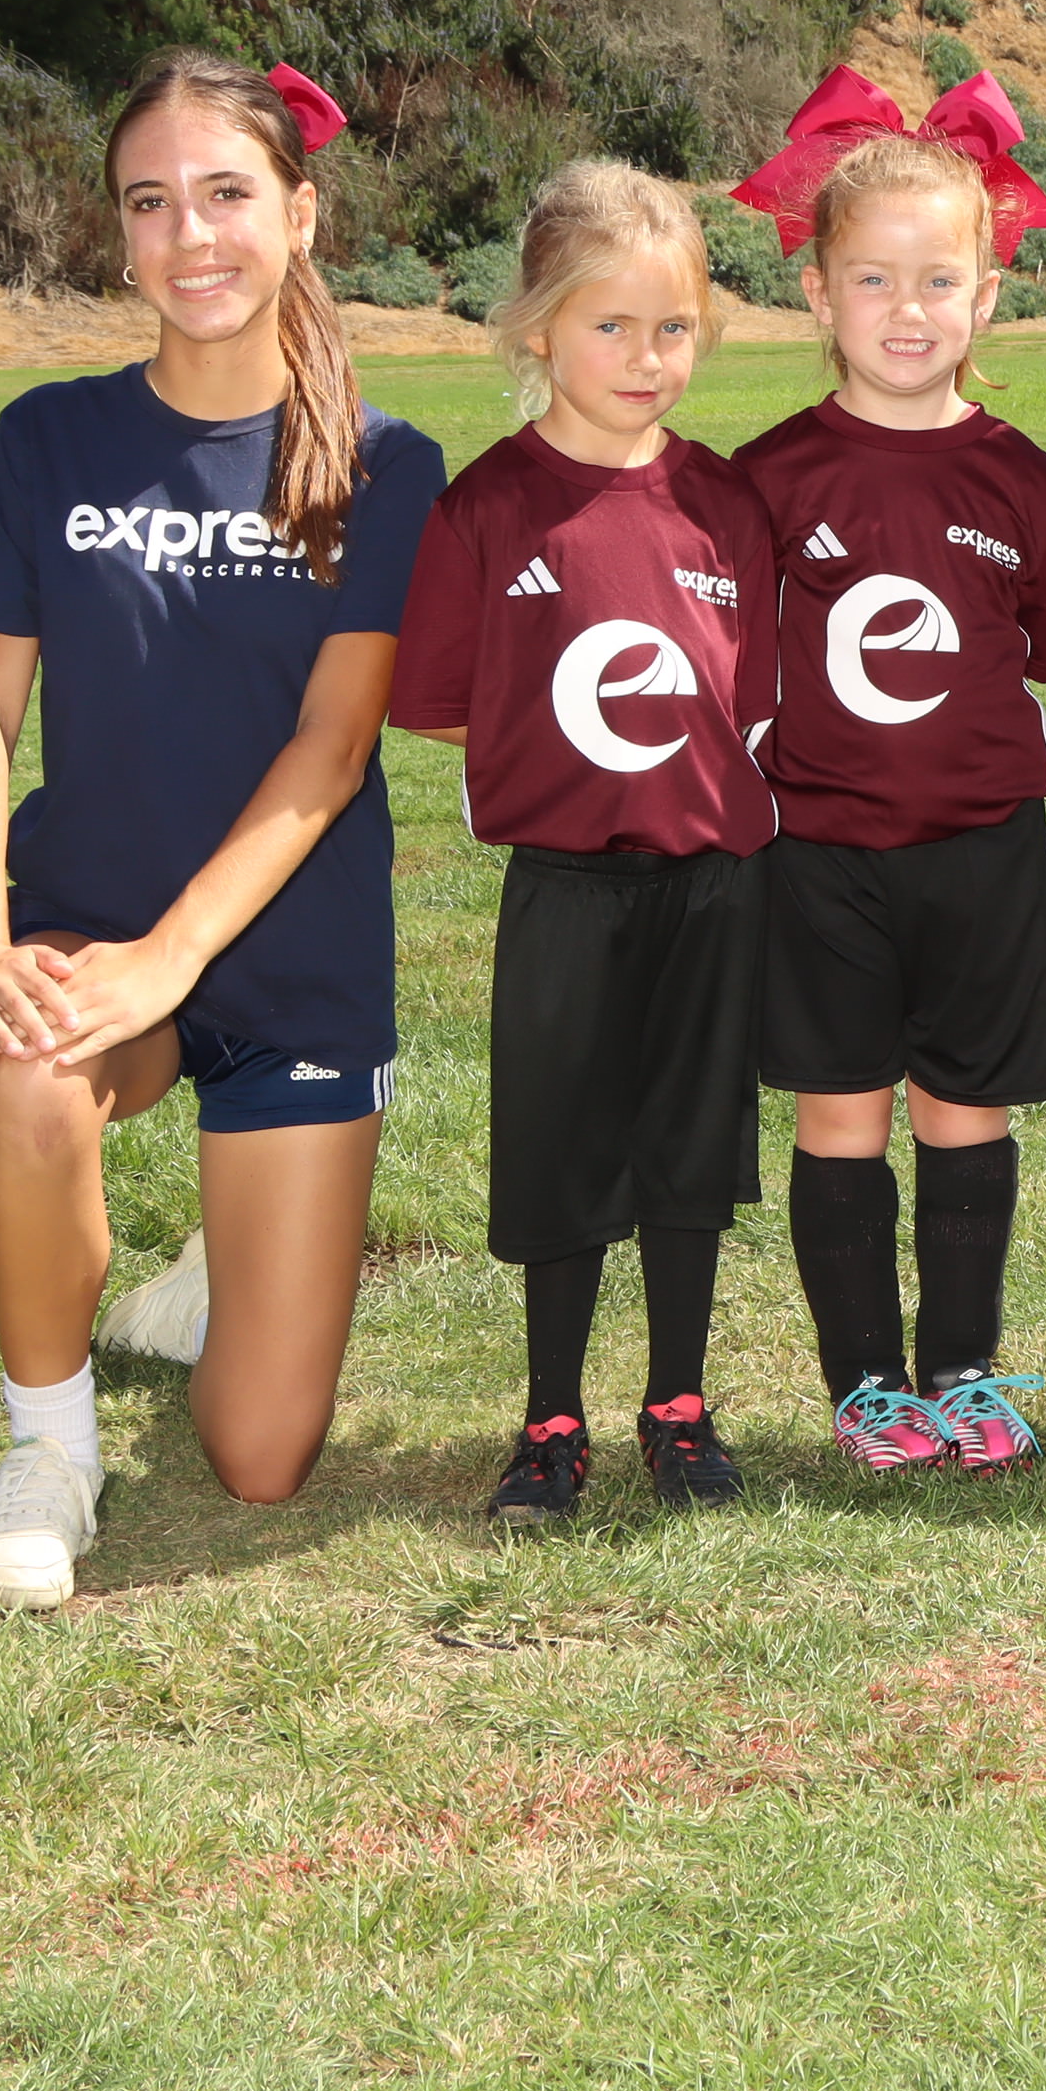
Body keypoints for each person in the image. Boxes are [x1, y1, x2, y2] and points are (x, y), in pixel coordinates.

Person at [0, 54, 445, 1612]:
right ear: (121, 232)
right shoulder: (49, 438)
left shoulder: (387, 463)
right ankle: (50, 1453)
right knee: (33, 1076)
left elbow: (331, 750)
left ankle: (213, 1279)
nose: (191, 235)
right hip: (90, 934)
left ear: (302, 214)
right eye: (150, 203)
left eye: (226, 194)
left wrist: (174, 955)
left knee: (259, 1458)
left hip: (294, 969)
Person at [390, 161, 777, 1530]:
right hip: (563, 889)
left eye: (673, 328)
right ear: (538, 329)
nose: (645, 356)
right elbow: (443, 700)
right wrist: (559, 761)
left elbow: (743, 700)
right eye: (610, 325)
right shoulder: (490, 507)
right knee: (561, 1157)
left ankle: (679, 1403)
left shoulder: (725, 504)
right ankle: (550, 1418)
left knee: (687, 1154)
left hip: (713, 887)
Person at [727, 75, 1046, 1478]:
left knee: (966, 1111)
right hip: (819, 851)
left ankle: (965, 1369)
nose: (908, 309)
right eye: (872, 279)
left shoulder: (1023, 482)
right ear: (818, 293)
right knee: (841, 1116)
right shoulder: (764, 480)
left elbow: (1021, 649)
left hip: (982, 846)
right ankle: (868, 1384)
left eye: (939, 280)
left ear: (985, 295)